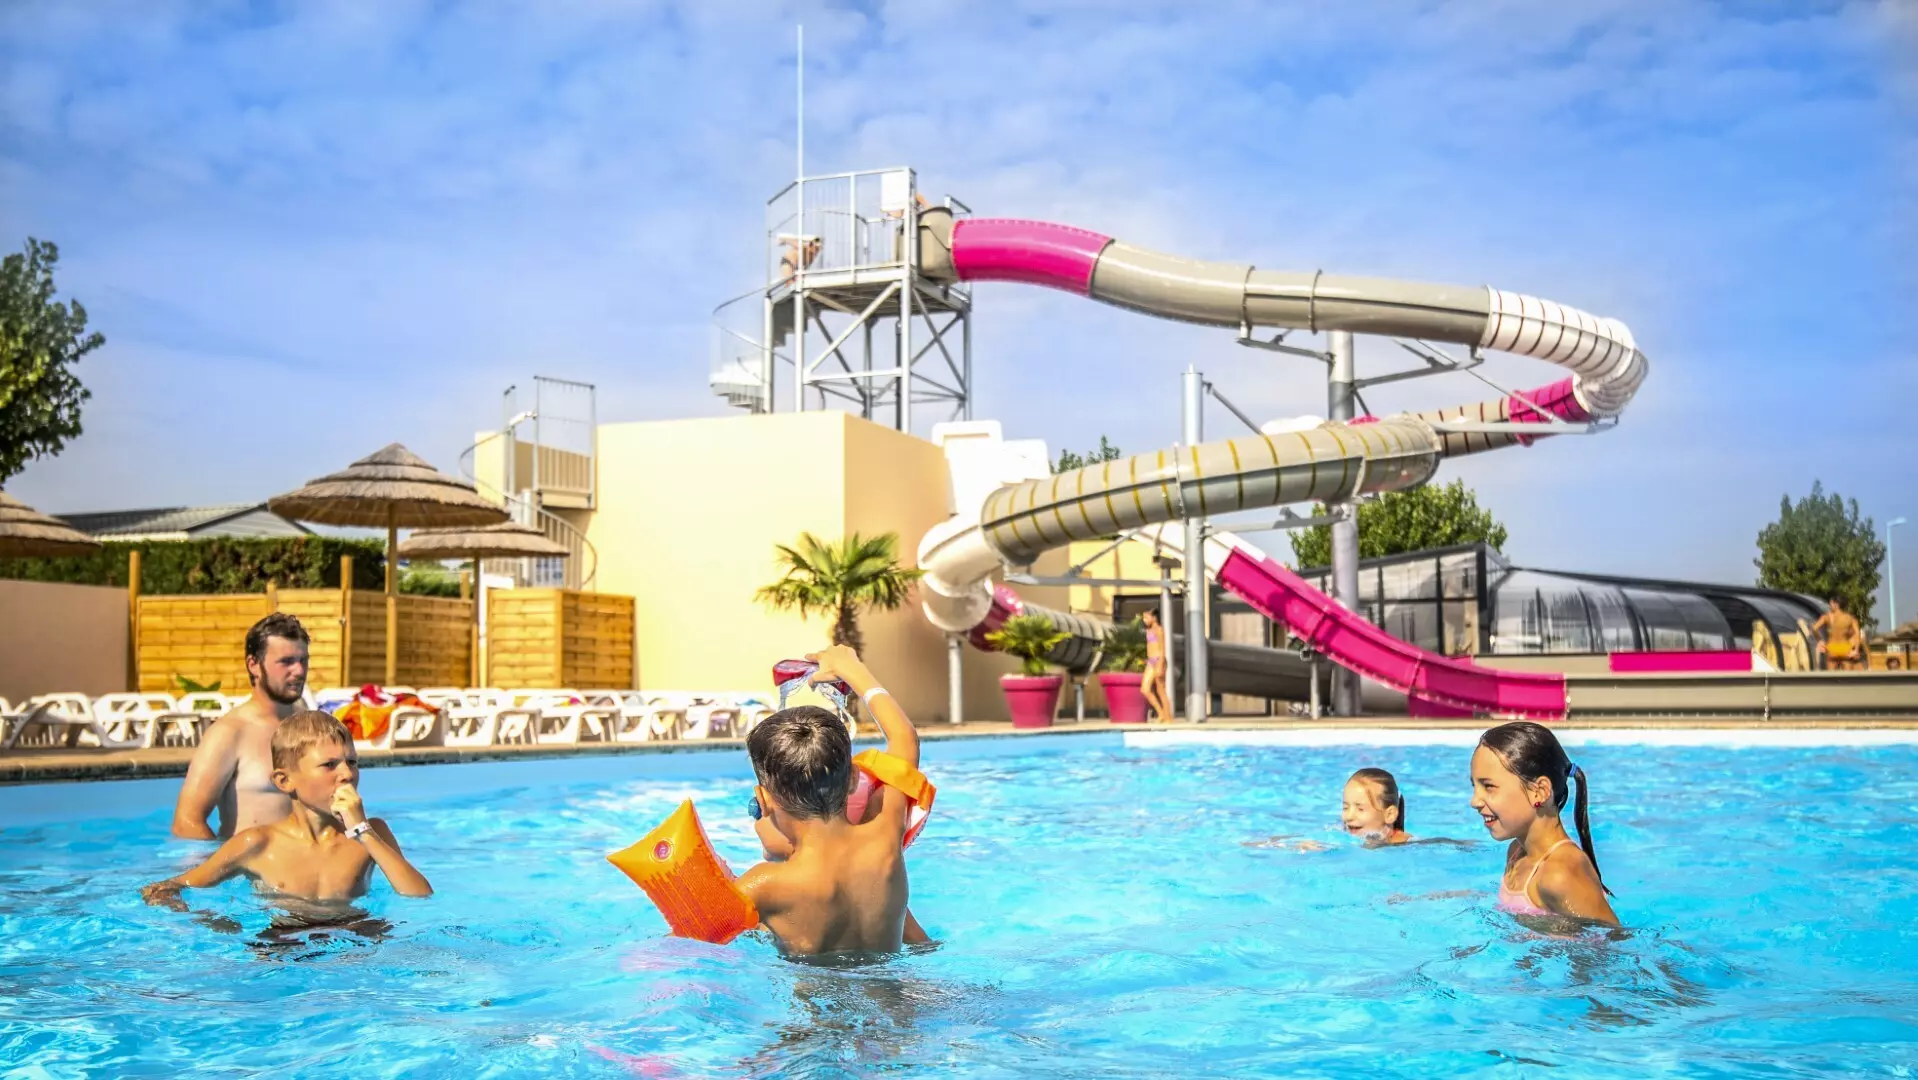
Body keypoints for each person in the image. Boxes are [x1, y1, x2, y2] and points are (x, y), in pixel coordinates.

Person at [738, 645, 922, 957]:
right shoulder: (885, 836)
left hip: (818, 991)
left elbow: (692, 937)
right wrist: (852, 667)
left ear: (764, 800)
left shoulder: (764, 886)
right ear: (853, 778)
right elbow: (904, 738)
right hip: (895, 987)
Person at [142, 710, 431, 909]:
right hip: (284, 946)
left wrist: (362, 832)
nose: (347, 774)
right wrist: (211, 920)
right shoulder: (258, 843)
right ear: (284, 781)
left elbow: (419, 896)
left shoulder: (372, 834)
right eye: (329, 765)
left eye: (352, 762)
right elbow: (163, 888)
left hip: (358, 941)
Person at [171, 612, 312, 840]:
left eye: (303, 660)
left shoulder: (309, 725)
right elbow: (186, 822)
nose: (299, 671)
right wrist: (221, 862)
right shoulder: (229, 733)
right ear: (254, 665)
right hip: (253, 862)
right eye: (286, 662)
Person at [1470, 721, 1618, 926]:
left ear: (1539, 792)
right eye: (1475, 786)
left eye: (1488, 786)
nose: (1474, 801)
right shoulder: (1516, 853)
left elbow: (1613, 939)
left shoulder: (1559, 874)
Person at [1342, 768, 1411, 845]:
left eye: (1360, 809)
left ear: (1389, 815)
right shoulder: (1342, 833)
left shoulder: (1405, 844)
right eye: (1345, 808)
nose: (1349, 817)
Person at [1813, 598, 1866, 671]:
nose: (1829, 606)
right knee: (1847, 676)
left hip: (1832, 649)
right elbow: (1857, 634)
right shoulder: (1850, 618)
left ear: (1836, 604)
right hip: (1845, 649)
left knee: (1831, 676)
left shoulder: (1826, 617)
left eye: (1831, 604)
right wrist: (1856, 650)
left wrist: (1820, 640)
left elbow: (1814, 628)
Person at [1140, 610, 1173, 723]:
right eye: (1143, 618)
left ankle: (1168, 718)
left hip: (1159, 660)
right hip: (1150, 662)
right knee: (1145, 689)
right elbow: (1150, 646)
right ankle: (1161, 713)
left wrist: (1160, 665)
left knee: (1161, 690)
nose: (1144, 620)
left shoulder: (1159, 630)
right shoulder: (1148, 630)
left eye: (1146, 617)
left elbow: (1163, 649)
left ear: (1154, 618)